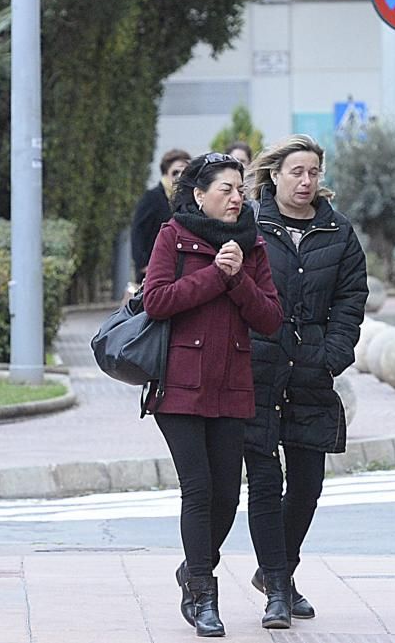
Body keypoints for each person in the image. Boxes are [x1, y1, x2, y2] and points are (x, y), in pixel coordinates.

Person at [142, 152, 283, 638]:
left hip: (232, 383)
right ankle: (202, 592)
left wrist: (239, 276)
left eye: (240, 189)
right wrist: (213, 276)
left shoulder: (254, 246)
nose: (236, 197)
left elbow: (269, 318)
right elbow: (157, 300)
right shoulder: (173, 236)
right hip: (179, 386)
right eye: (225, 189)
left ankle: (192, 566)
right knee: (198, 489)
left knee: (226, 495)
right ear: (199, 196)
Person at [242, 135, 368, 627]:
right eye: (296, 171)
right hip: (257, 371)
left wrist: (333, 354)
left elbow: (351, 297)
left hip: (312, 373)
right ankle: (277, 587)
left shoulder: (337, 230)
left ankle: (280, 568)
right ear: (275, 175)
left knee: (308, 485)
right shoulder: (251, 222)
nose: (306, 180)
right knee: (265, 484)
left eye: (313, 171)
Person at [131, 149, 191, 283]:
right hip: (152, 268)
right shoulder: (152, 197)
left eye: (184, 173)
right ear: (165, 173)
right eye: (175, 172)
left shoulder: (187, 200)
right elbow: (137, 231)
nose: (180, 177)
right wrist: (143, 264)